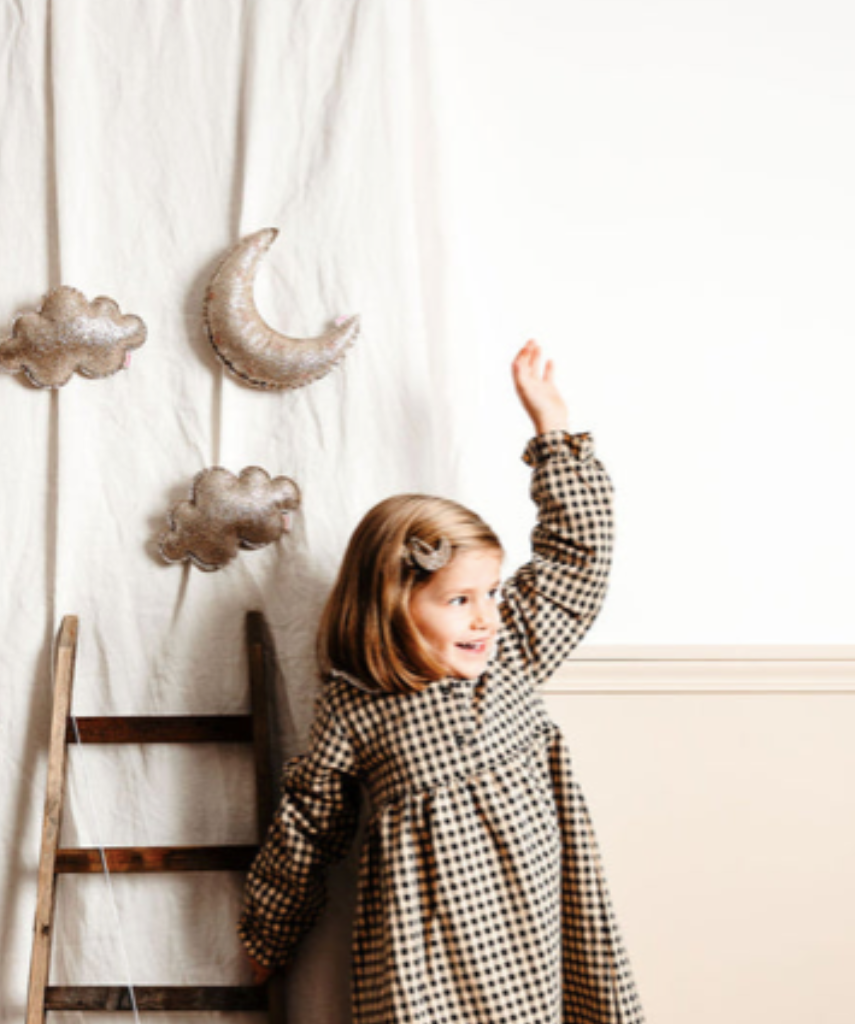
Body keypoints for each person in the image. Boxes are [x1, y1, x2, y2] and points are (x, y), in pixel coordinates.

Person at [238, 340, 646, 1023]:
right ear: (394, 602)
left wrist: (553, 431)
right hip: (425, 959)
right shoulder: (356, 705)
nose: (485, 616)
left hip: (540, 939)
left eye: (491, 593)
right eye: (460, 600)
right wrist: (268, 932)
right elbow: (308, 827)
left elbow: (578, 556)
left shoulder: (511, 652)